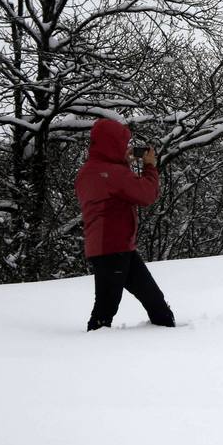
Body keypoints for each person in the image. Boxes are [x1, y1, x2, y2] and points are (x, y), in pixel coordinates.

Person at [75, 119, 175, 331]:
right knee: (105, 310)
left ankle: (168, 334)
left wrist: (122, 162)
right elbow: (146, 194)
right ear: (112, 143)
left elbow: (111, 191)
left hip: (113, 247)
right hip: (113, 247)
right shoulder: (112, 173)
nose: (126, 146)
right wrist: (149, 166)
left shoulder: (88, 171)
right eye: (122, 142)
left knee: (154, 301)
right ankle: (88, 353)